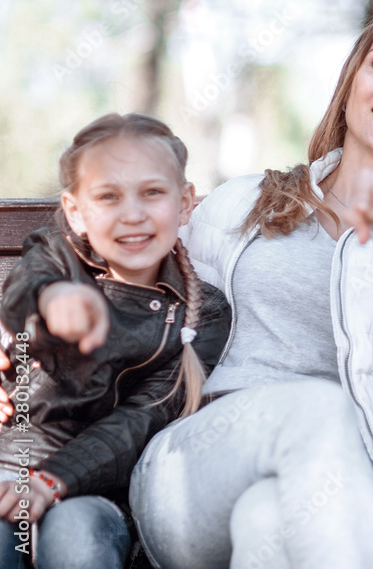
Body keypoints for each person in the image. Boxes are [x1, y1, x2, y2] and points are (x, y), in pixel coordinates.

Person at [128, 7, 373, 569]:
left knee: (268, 525)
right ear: (352, 84)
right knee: (320, 409)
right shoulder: (244, 201)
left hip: (343, 498)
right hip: (196, 467)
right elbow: (122, 271)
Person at [0, 113, 232, 569]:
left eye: (152, 192)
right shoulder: (53, 254)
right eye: (108, 196)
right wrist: (55, 296)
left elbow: (139, 419)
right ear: (75, 211)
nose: (133, 214)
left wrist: (50, 482)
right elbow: (22, 294)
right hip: (9, 458)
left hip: (90, 485)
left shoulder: (203, 312)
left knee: (77, 538)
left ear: (185, 203)